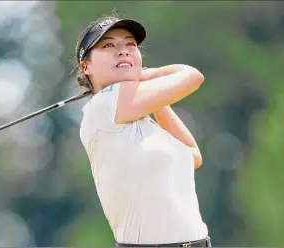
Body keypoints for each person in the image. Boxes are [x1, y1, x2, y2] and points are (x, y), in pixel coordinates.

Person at [74, 13, 212, 247]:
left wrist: (144, 86)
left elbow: (192, 156)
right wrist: (145, 75)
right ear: (86, 66)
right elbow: (192, 76)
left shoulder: (138, 120)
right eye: (108, 45)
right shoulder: (105, 104)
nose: (123, 50)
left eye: (131, 45)